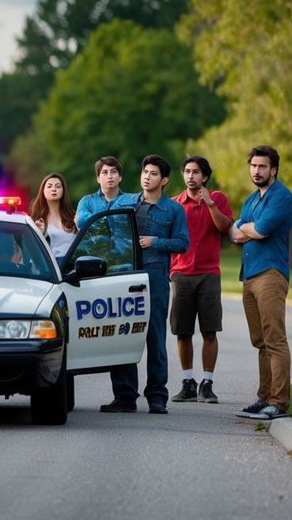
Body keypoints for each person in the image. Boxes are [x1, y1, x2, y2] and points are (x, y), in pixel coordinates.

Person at [102, 155, 188, 415]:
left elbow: (183, 243)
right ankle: (125, 396)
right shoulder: (123, 202)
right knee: (123, 335)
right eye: (144, 172)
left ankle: (157, 397)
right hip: (124, 275)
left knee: (155, 337)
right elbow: (107, 233)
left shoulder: (173, 210)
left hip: (155, 278)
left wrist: (155, 241)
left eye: (152, 173)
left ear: (164, 180)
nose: (146, 177)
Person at [231, 145, 292, 420]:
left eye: (262, 166)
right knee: (260, 342)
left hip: (271, 274)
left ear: (274, 169)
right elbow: (235, 233)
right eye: (253, 166)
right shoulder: (251, 199)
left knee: (274, 339)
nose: (256, 171)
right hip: (250, 275)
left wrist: (248, 228)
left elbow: (257, 229)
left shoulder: (281, 197)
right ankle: (264, 397)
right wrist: (248, 229)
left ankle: (279, 402)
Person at [169, 156, 233, 404]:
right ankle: (187, 382)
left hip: (208, 274)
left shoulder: (218, 199)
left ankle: (207, 383)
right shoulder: (175, 204)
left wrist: (210, 205)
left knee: (209, 330)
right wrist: (171, 270)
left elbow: (226, 229)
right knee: (182, 332)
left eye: (195, 172)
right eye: (186, 171)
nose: (190, 176)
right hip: (182, 274)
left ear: (205, 176)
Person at [31, 173, 78, 260]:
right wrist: (40, 234)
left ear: (63, 190)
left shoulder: (74, 217)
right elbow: (32, 251)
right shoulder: (36, 220)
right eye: (49, 186)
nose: (53, 189)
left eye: (58, 186)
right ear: (43, 191)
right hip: (51, 268)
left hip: (74, 266)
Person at [76, 156, 127, 228]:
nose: (109, 176)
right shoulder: (87, 201)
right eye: (105, 172)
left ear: (120, 177)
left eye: (113, 172)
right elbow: (81, 222)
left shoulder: (130, 200)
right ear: (98, 179)